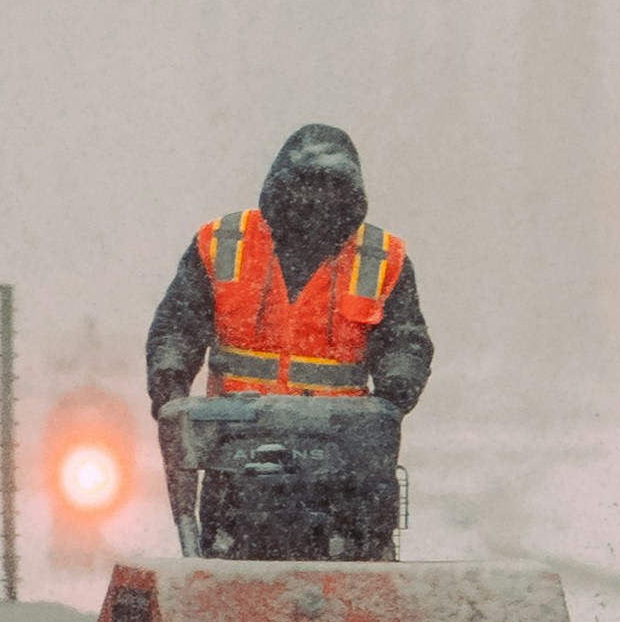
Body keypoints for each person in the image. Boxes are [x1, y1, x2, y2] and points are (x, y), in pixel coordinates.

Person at [142, 124, 430, 561]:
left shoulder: (383, 258)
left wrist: (397, 386)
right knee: (227, 562)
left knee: (361, 562)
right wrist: (169, 376)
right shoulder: (223, 243)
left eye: (332, 189)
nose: (317, 201)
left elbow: (405, 339)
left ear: (351, 194)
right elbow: (179, 325)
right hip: (234, 444)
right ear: (279, 185)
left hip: (344, 449)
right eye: (305, 186)